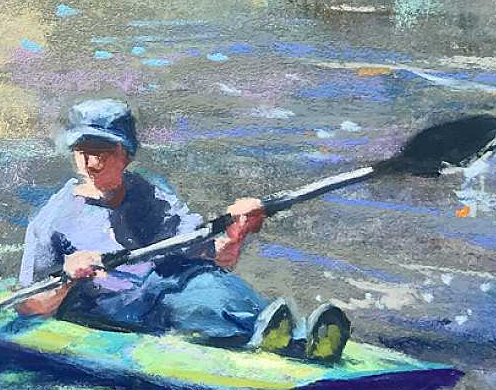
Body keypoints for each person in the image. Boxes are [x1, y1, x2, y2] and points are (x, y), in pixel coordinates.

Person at [18, 99, 351, 359]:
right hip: (118, 306)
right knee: (195, 305)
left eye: (103, 153)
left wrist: (238, 232)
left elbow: (214, 258)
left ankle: (298, 335)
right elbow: (29, 305)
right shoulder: (52, 220)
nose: (92, 164)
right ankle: (268, 341)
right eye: (84, 152)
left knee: (211, 282)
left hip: (166, 286)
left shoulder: (153, 196)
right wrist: (68, 274)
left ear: (126, 154)